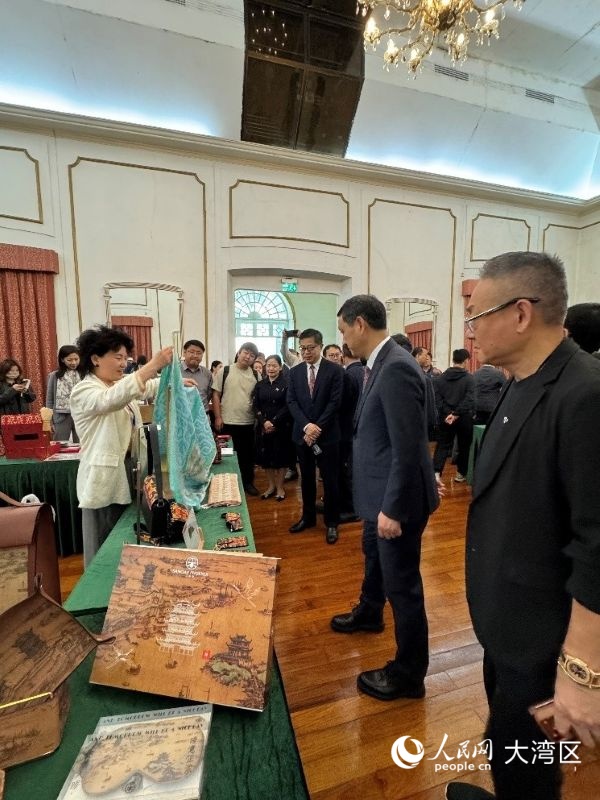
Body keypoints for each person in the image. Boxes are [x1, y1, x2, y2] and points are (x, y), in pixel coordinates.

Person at [447, 251, 600, 800]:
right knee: (505, 741)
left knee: (529, 765)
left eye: (476, 316)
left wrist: (581, 674)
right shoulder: (519, 379)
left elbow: (596, 547)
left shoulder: (585, 394)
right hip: (508, 622)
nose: (471, 330)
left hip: (545, 638)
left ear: (520, 313)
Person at [331, 295, 439, 700]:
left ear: (360, 324)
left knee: (403, 586)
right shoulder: (379, 363)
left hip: (395, 502)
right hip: (379, 493)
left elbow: (408, 446)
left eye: (344, 331)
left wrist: (393, 508)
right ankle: (370, 611)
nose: (343, 340)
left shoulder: (396, 367)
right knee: (373, 557)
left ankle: (409, 674)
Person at [70, 325, 173, 568]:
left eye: (125, 358)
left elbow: (146, 386)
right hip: (103, 476)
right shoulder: (85, 390)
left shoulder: (115, 383)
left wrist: (174, 382)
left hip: (128, 469)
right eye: (117, 357)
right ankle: (98, 584)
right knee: (102, 540)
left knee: (122, 534)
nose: (123, 364)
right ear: (95, 359)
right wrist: (153, 364)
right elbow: (111, 400)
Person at [287, 328, 343, 544]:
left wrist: (317, 427)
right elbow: (292, 401)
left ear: (320, 346)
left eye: (310, 348)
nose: (306, 352)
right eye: (302, 348)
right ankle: (308, 517)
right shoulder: (295, 372)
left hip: (327, 435)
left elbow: (335, 402)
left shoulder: (334, 370)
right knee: (307, 479)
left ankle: (332, 522)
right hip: (303, 435)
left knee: (330, 480)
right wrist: (307, 426)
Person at [211, 342, 260, 495]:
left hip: (248, 422)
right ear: (239, 352)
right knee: (227, 455)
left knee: (247, 456)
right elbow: (216, 395)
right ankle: (227, 484)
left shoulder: (256, 375)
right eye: (246, 352)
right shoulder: (225, 371)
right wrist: (218, 417)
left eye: (252, 355)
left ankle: (247, 483)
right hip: (227, 422)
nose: (248, 357)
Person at [253, 355, 292, 501]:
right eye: (268, 365)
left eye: (274, 365)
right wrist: (264, 422)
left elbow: (288, 405)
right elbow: (255, 406)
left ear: (280, 367)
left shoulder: (287, 383)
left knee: (281, 458)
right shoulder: (260, 385)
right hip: (264, 428)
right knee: (266, 458)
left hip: (282, 427)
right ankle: (271, 486)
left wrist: (273, 422)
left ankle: (280, 487)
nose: (271, 368)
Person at [432, 348, 474, 483]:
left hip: (445, 417)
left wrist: (449, 413)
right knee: (464, 446)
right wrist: (456, 414)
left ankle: (436, 473)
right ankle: (460, 473)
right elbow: (470, 399)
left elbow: (438, 400)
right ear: (466, 361)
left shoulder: (439, 378)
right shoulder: (470, 379)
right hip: (464, 418)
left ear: (453, 360)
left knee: (442, 445)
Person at [45, 345, 82, 442]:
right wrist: (49, 420)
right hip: (61, 416)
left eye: (76, 359)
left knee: (83, 445)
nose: (74, 362)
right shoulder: (54, 376)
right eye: (69, 360)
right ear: (62, 359)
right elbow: (50, 400)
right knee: (59, 444)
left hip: (81, 414)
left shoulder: (84, 374)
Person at [180, 339, 212, 412]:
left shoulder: (207, 373)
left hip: (203, 415)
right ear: (184, 353)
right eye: (192, 352)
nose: (195, 356)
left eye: (199, 353)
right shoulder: (174, 372)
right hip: (181, 415)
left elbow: (208, 395)